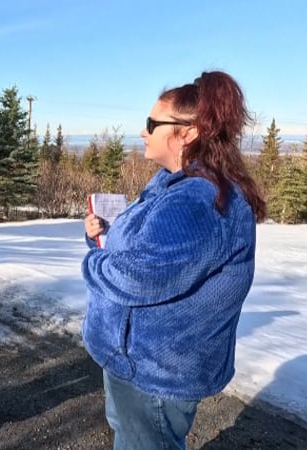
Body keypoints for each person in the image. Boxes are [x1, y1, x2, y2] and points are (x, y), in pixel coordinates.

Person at [81, 71, 267, 450]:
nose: (144, 132)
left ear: (188, 132)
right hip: (137, 362)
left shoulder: (196, 200)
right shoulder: (173, 183)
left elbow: (140, 276)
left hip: (154, 373)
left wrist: (92, 263)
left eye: (153, 123)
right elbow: (151, 252)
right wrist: (100, 235)